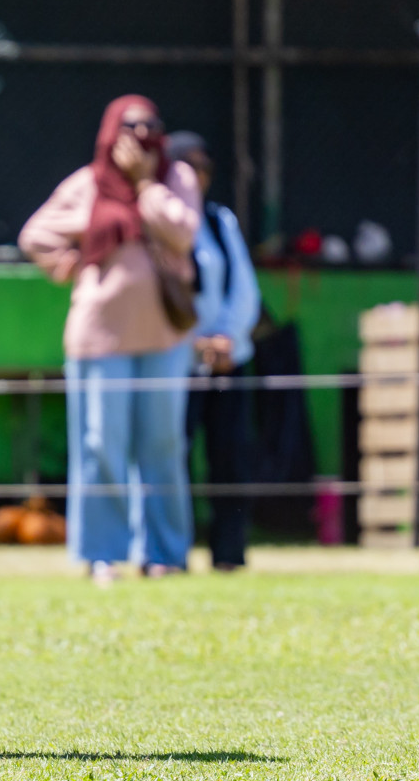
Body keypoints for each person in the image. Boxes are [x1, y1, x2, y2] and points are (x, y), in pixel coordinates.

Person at [19, 96, 200, 585]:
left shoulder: (174, 178)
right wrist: (69, 263)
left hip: (164, 333)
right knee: (102, 443)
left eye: (151, 126)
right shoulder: (88, 184)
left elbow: (184, 234)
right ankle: (102, 554)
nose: (142, 136)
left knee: (162, 444)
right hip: (99, 336)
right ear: (109, 133)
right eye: (130, 126)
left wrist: (145, 184)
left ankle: (163, 552)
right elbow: (34, 234)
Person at [167, 132, 261, 571]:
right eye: (186, 165)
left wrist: (226, 336)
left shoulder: (220, 220)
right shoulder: (155, 219)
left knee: (230, 454)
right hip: (175, 360)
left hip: (226, 360)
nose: (196, 175)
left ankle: (229, 552)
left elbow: (243, 288)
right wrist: (192, 342)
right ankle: (171, 551)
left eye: (203, 167)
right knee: (173, 455)